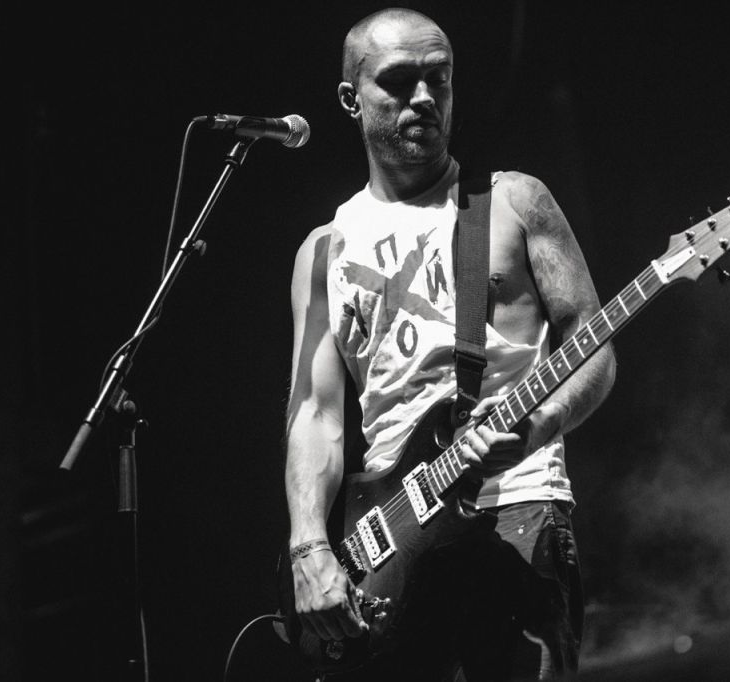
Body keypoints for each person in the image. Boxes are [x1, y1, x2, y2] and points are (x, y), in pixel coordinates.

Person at [284, 7, 616, 680]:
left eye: (439, 78)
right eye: (399, 81)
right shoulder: (324, 251)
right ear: (350, 98)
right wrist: (310, 546)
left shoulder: (514, 202)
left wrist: (539, 425)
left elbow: (596, 349)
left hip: (516, 505)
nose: (424, 97)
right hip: (387, 543)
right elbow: (315, 414)